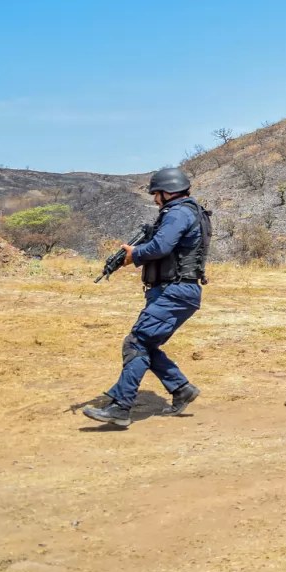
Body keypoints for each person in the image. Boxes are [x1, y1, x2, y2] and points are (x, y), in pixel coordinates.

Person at [82, 167, 212, 427]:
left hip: (174, 291)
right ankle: (181, 389)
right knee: (147, 344)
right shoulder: (189, 211)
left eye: (157, 194)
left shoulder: (177, 213)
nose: (155, 200)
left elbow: (162, 246)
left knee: (136, 343)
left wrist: (135, 254)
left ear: (168, 192)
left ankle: (120, 406)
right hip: (178, 291)